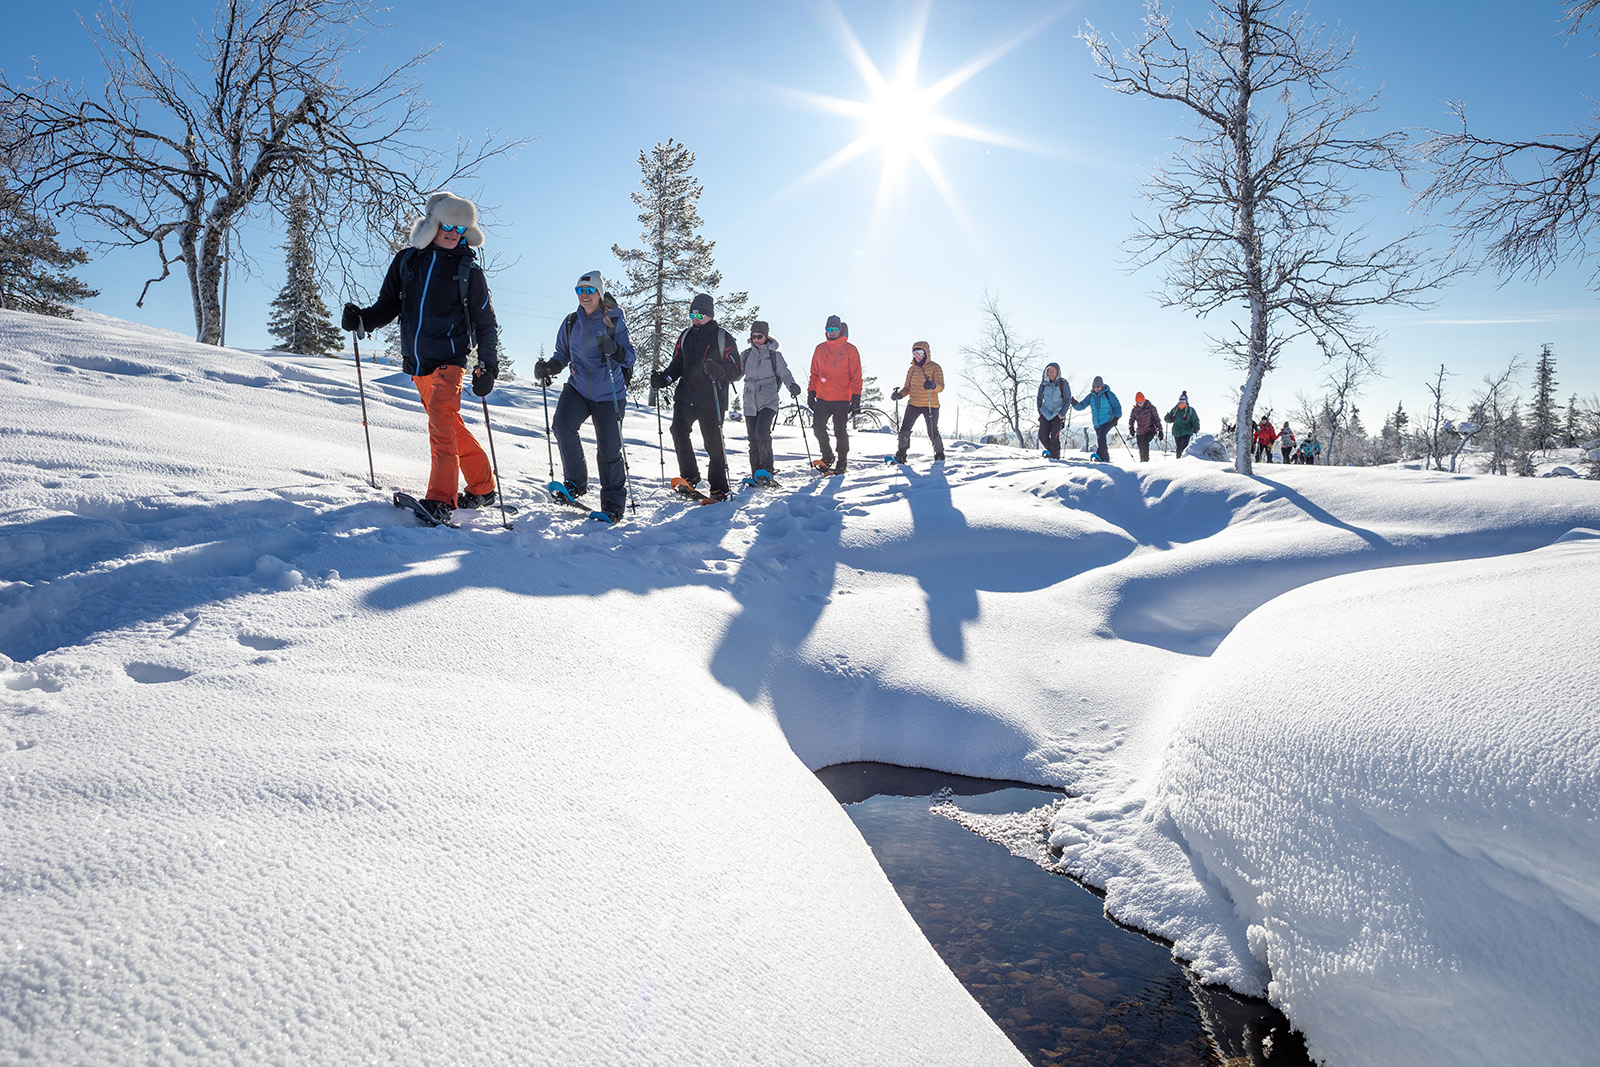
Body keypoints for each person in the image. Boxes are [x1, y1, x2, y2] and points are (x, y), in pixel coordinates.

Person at [342, 191, 500, 525]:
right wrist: (363, 319)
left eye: (461, 228)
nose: (453, 233)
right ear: (433, 224)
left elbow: (486, 322)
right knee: (450, 425)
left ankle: (441, 501)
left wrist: (488, 365)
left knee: (441, 426)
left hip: (450, 360)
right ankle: (483, 487)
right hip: (417, 363)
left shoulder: (468, 271)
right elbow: (388, 304)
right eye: (447, 225)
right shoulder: (407, 261)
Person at [532, 269, 636, 523]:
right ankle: (576, 483)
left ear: (600, 293)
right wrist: (549, 367)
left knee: (609, 449)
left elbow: (630, 356)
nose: (585, 295)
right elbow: (561, 355)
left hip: (609, 392)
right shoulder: (571, 322)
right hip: (578, 388)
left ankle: (612, 506)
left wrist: (615, 350)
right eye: (580, 291)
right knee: (562, 426)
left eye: (590, 291)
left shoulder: (614, 321)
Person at [653, 293, 743, 500]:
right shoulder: (685, 336)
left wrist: (719, 370)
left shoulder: (723, 337)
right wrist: (665, 378)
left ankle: (719, 487)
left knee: (712, 443)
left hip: (712, 398)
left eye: (699, 313)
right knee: (678, 430)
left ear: (709, 314)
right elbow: (677, 364)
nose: (695, 317)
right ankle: (690, 477)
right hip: (686, 394)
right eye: (692, 313)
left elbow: (737, 370)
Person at [739, 319, 800, 480]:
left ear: (766, 336)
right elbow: (736, 373)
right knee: (752, 438)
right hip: (749, 401)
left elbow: (785, 373)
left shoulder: (774, 356)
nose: (756, 340)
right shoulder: (746, 355)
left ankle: (767, 470)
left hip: (768, 400)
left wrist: (792, 385)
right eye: (753, 336)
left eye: (759, 336)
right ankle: (756, 473)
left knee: (762, 432)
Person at [807, 314, 862, 474]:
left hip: (842, 398)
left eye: (834, 329)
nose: (831, 332)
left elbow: (856, 376)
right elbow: (814, 374)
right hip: (823, 397)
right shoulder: (820, 349)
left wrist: (856, 397)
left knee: (840, 430)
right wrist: (811, 392)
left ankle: (842, 462)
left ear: (840, 329)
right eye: (828, 329)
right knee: (817, 427)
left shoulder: (850, 350)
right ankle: (827, 456)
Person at [891, 341, 946, 463]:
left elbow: (941, 386)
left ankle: (939, 453)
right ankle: (901, 454)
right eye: (914, 352)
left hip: (930, 404)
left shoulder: (935, 367)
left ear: (926, 353)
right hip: (913, 404)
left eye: (920, 352)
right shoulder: (912, 369)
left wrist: (932, 385)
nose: (917, 355)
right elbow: (907, 388)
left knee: (932, 430)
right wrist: (899, 395)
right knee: (905, 429)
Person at [1073, 375, 1122, 462]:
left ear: (1102, 386)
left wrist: (1116, 418)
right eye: (1094, 387)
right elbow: (1081, 406)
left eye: (1098, 386)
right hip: (1097, 423)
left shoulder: (1108, 394)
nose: (1096, 388)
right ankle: (1105, 458)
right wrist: (1074, 403)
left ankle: (1100, 456)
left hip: (1108, 421)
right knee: (1101, 439)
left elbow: (1117, 406)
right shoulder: (1091, 396)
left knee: (1101, 436)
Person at [1037, 363, 1072, 459]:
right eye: (1049, 371)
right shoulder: (1043, 384)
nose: (1051, 373)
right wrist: (1039, 411)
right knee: (1042, 436)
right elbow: (1039, 398)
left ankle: (1055, 458)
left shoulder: (1063, 383)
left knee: (1054, 437)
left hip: (1057, 414)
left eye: (1053, 371)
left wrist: (1062, 414)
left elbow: (1068, 400)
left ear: (1058, 372)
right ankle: (1053, 453)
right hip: (1045, 413)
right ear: (1046, 372)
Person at [1127, 391, 1163, 462]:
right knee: (1140, 446)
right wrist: (1131, 427)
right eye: (1138, 403)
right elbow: (1131, 419)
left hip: (1150, 430)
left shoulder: (1151, 408)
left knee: (1145, 443)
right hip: (1140, 432)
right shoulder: (1134, 410)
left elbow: (1156, 419)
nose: (1139, 404)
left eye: (1141, 402)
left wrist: (1160, 430)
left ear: (1144, 400)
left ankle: (1145, 461)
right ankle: (1142, 461)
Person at [1165, 391, 1200, 458]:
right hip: (1177, 431)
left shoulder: (1190, 410)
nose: (1181, 402)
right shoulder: (1175, 409)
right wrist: (1167, 418)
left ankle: (1183, 461)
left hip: (1187, 431)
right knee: (1178, 447)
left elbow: (1195, 419)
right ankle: (1178, 461)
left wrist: (1196, 427)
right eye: (1180, 401)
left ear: (1186, 401)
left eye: (1183, 401)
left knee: (1184, 447)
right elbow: (1170, 419)